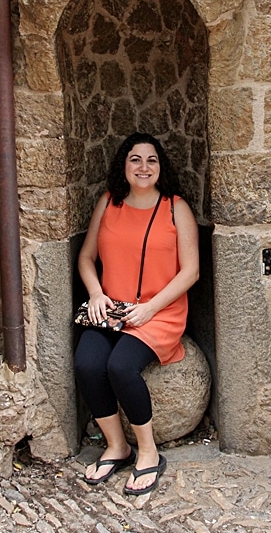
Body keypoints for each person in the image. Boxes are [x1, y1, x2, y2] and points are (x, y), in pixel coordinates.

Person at [74, 132, 199, 495]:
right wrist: (96, 293)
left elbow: (190, 272)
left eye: (151, 160)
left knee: (120, 366)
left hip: (159, 312)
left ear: (161, 167)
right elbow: (86, 258)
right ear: (123, 166)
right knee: (87, 362)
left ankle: (148, 453)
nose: (143, 167)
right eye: (135, 160)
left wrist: (148, 309)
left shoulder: (177, 208)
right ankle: (117, 446)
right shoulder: (108, 204)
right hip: (112, 308)